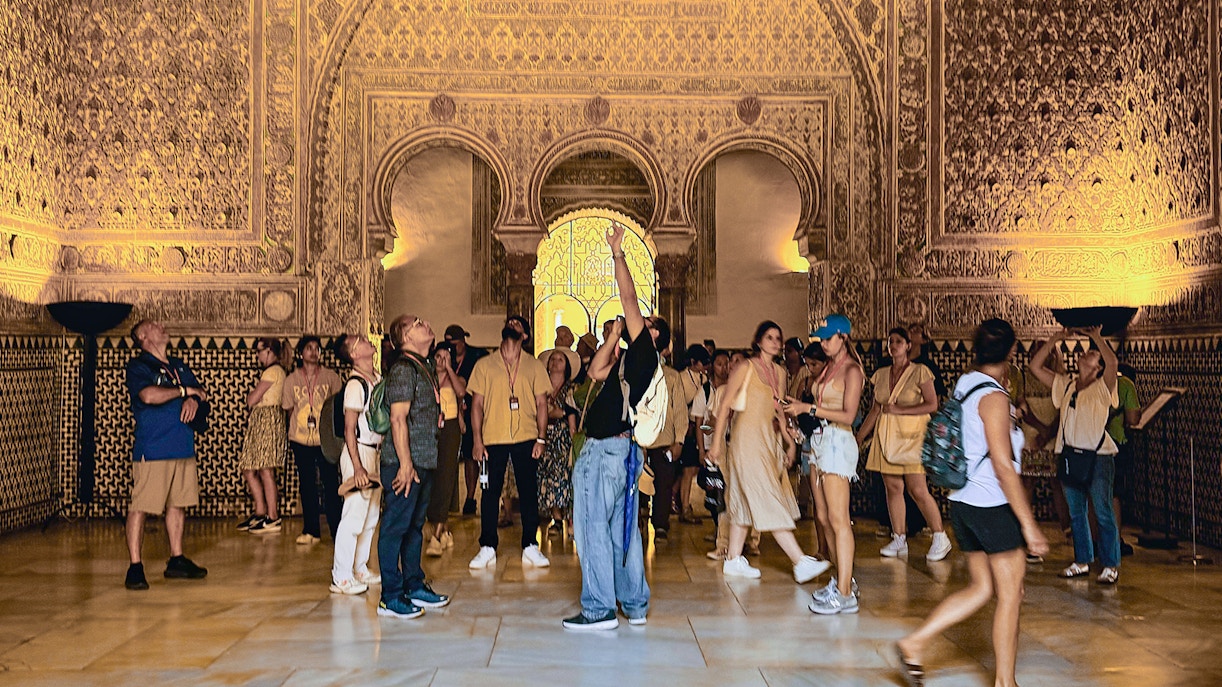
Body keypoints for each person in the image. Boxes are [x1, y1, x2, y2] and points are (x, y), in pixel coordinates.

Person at [896, 318, 1049, 687]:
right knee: (1012, 594)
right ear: (1011, 352)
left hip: (963, 502)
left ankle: (913, 644)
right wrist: (1029, 526)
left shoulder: (965, 385)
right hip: (990, 504)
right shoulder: (994, 397)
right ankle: (1004, 682)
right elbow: (1002, 465)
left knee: (983, 588)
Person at [563, 222, 663, 631]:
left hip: (605, 452)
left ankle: (599, 608)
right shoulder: (631, 363)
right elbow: (595, 369)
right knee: (625, 532)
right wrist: (614, 336)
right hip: (625, 454)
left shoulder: (644, 354)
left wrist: (618, 253)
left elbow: (628, 296)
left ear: (653, 336)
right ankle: (634, 605)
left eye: (643, 323)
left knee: (591, 529)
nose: (633, 321)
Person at [707, 321, 829, 584]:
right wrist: (716, 444)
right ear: (759, 341)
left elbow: (780, 411)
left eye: (778, 338)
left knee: (742, 498)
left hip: (767, 440)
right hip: (745, 440)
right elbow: (725, 405)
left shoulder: (780, 373)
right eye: (770, 337)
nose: (775, 342)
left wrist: (790, 442)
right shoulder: (745, 367)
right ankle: (799, 561)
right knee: (766, 496)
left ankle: (733, 560)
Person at [784, 313, 864, 614]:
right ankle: (843, 579)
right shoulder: (830, 368)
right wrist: (801, 426)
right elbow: (820, 413)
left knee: (840, 519)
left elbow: (847, 414)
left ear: (843, 337)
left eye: (829, 338)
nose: (824, 344)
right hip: (820, 442)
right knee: (826, 516)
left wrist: (808, 407)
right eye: (822, 338)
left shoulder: (852, 371)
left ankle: (844, 594)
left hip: (838, 444)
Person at [1029, 326, 1122, 584]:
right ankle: (1082, 561)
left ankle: (1111, 564)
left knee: (1102, 511)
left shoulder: (1105, 386)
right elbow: (1035, 367)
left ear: (1099, 367)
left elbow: (1112, 360)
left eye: (1093, 354)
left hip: (1098, 457)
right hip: (1070, 455)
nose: (1087, 353)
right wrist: (1055, 340)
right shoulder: (1067, 384)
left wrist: (1097, 338)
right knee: (1077, 512)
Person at [122, 319, 209, 590]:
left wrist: (194, 398)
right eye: (154, 325)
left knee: (177, 503)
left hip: (182, 445)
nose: (162, 326)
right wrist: (184, 392)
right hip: (154, 447)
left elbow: (201, 392)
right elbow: (148, 396)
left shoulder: (179, 365)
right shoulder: (139, 366)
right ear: (143, 337)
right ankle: (135, 567)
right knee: (142, 505)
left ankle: (176, 558)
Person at [855, 327, 953, 562]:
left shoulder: (921, 371)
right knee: (893, 488)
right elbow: (875, 409)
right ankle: (899, 537)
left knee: (917, 489)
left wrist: (900, 409)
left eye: (899, 341)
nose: (893, 345)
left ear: (908, 345)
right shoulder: (880, 374)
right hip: (887, 436)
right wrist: (858, 438)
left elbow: (931, 405)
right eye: (890, 341)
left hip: (912, 436)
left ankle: (940, 536)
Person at [377, 315, 450, 618]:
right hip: (404, 463)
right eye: (418, 322)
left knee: (415, 527)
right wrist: (405, 465)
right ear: (406, 336)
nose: (426, 323)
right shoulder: (404, 369)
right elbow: (397, 418)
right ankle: (390, 596)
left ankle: (413, 585)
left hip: (422, 459)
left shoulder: (424, 366)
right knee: (396, 527)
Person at [467, 315, 553, 570]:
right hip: (493, 436)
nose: (513, 325)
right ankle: (487, 546)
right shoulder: (485, 365)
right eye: (510, 322)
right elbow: (477, 405)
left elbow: (541, 404)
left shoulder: (534, 365)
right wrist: (477, 440)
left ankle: (530, 545)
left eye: (518, 325)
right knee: (490, 492)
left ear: (525, 336)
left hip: (526, 436)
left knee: (528, 491)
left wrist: (541, 438)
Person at [330, 334, 384, 595]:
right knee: (353, 515)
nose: (366, 340)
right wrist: (358, 466)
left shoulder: (375, 378)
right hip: (359, 452)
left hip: (374, 452)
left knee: (371, 514)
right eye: (360, 340)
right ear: (353, 353)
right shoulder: (355, 385)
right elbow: (349, 429)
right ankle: (341, 576)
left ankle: (360, 567)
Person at [283, 337, 343, 544]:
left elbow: (337, 406)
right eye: (309, 348)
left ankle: (337, 529)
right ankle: (311, 530)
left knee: (330, 483)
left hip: (324, 439)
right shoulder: (291, 380)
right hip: (300, 439)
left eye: (317, 348)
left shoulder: (330, 377)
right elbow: (289, 409)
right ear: (301, 354)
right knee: (307, 484)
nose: (314, 352)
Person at [1017, 339, 1070, 560]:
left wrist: (1049, 432)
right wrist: (1040, 430)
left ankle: (1067, 528)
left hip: (1053, 435)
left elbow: (1065, 409)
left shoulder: (1061, 379)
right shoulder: (1024, 376)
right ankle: (1024, 527)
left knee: (1056, 482)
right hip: (1032, 436)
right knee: (1028, 480)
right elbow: (1022, 406)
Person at [237, 337, 290, 535]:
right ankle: (261, 512)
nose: (257, 355)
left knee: (265, 469)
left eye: (260, 351)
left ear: (269, 351)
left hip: (266, 420)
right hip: (262, 422)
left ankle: (272, 516)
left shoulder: (272, 372)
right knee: (250, 468)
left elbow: (252, 399)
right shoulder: (275, 371)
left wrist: (249, 399)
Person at [642, 343, 689, 541]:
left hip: (665, 439)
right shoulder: (637, 375)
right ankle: (639, 518)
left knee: (664, 484)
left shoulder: (672, 376)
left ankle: (660, 524)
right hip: (641, 439)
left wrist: (679, 440)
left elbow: (679, 410)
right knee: (639, 482)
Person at [424, 343, 467, 557]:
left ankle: (437, 534)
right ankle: (444, 529)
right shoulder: (427, 376)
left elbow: (462, 392)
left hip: (449, 428)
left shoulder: (454, 377)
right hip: (430, 427)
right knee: (431, 476)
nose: (441, 360)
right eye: (438, 356)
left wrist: (450, 368)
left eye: (445, 357)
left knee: (446, 474)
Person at [445, 324, 487, 517]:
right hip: (450, 411)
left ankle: (475, 496)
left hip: (474, 410)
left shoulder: (478, 357)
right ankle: (456, 499)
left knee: (474, 454)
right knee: (455, 456)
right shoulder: (445, 358)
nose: (453, 348)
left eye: (455, 344)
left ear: (463, 342)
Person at [538, 350, 578, 535]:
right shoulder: (540, 387)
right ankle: (556, 519)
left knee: (566, 477)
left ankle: (570, 518)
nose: (555, 362)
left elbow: (575, 413)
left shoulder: (572, 388)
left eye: (559, 359)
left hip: (564, 438)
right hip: (545, 436)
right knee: (548, 477)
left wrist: (560, 413)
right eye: (552, 359)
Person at [677, 344, 712, 524]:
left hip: (700, 426)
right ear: (693, 362)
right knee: (687, 470)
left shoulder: (704, 379)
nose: (705, 366)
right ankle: (684, 507)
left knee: (693, 468)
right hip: (686, 427)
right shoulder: (681, 378)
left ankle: (684, 504)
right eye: (702, 363)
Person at [1110, 364, 1142, 556]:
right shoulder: (1126, 385)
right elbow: (1132, 419)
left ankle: (1094, 540)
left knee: (1091, 493)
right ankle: (1114, 541)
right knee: (1114, 493)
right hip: (1116, 442)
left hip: (1090, 442)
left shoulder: (1089, 383)